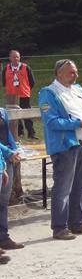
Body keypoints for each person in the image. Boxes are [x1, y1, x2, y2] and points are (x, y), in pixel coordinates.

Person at [38, 59, 82, 240]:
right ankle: (59, 227)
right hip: (65, 147)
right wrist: (77, 123)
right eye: (71, 72)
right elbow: (51, 121)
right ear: (59, 73)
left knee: (80, 187)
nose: (76, 75)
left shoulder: (79, 90)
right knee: (63, 188)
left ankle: (77, 223)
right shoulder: (49, 93)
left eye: (76, 72)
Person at [0, 106, 24, 251]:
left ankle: (3, 238)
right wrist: (8, 152)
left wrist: (15, 150)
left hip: (5, 160)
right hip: (4, 155)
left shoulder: (2, 112)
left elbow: (7, 133)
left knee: (3, 202)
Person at [2, 50, 38, 139]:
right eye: (14, 57)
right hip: (12, 97)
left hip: (24, 95)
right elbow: (4, 82)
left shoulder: (26, 67)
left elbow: (32, 82)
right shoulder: (6, 69)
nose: (16, 59)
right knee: (14, 115)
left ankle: (31, 133)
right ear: (10, 58)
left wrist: (25, 89)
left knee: (27, 114)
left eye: (17, 57)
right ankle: (19, 133)